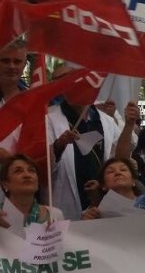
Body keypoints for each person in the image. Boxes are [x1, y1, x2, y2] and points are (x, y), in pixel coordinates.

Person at [48, 64, 127, 221]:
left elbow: (120, 158)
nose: (68, 83)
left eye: (71, 78)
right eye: (60, 80)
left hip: (102, 201)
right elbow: (44, 166)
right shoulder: (49, 119)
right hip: (67, 203)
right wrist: (59, 145)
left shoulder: (105, 120)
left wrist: (129, 125)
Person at [0, 154, 65, 235]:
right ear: (5, 184)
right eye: (18, 171)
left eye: (31, 171)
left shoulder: (55, 215)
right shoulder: (1, 216)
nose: (27, 175)